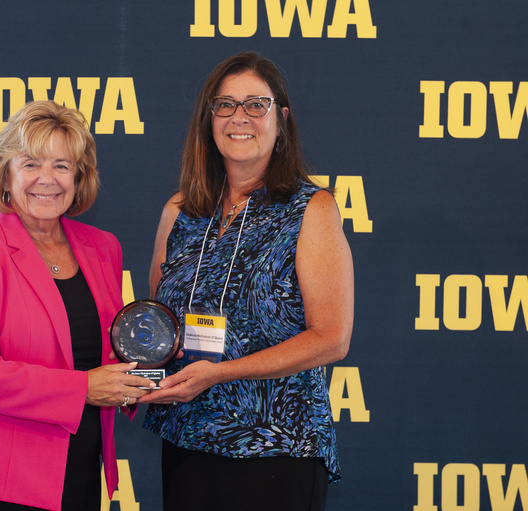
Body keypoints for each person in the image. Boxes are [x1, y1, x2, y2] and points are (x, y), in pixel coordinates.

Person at [138, 51, 354, 510]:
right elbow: (161, 326)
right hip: (188, 438)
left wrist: (220, 373)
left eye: (256, 104)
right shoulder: (180, 211)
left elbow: (332, 339)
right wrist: (141, 376)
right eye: (225, 105)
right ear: (208, 119)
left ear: (282, 119)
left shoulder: (310, 209)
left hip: (276, 447)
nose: (240, 117)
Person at [0, 100, 154, 511]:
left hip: (75, 466)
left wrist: (149, 372)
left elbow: (108, 350)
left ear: (79, 177)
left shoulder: (102, 247)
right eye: (30, 164)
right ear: (5, 175)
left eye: (61, 165)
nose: (48, 179)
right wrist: (84, 388)